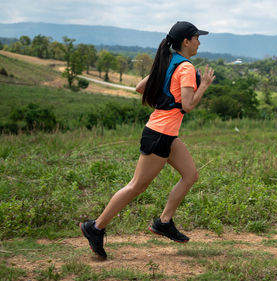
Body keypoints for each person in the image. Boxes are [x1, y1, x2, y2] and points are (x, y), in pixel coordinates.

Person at [80, 21, 215, 260]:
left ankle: (164, 222)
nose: (199, 42)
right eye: (196, 38)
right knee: (137, 185)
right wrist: (203, 85)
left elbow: (140, 87)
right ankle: (96, 227)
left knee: (191, 175)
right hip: (160, 134)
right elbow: (188, 105)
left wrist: (163, 99)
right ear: (186, 41)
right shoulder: (184, 68)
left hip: (166, 133)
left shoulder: (169, 62)